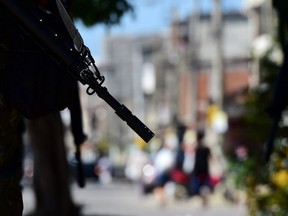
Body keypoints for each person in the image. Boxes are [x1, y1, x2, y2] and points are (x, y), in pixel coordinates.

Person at [190, 130, 211, 206]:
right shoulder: (206, 148)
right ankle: (205, 200)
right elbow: (210, 157)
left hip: (198, 169)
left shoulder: (196, 147)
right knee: (204, 185)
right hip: (205, 168)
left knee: (199, 185)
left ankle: (202, 201)